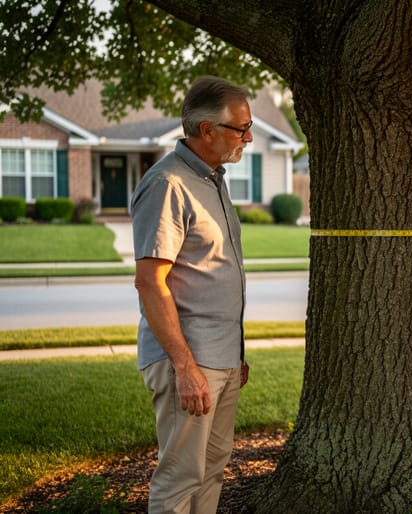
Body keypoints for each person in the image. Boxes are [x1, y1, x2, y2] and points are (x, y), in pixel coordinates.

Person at [131, 76, 252, 514]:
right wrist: (184, 367)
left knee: (213, 468)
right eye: (242, 128)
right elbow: (150, 282)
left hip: (220, 359)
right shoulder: (168, 183)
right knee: (181, 476)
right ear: (208, 131)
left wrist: (234, 351)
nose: (249, 137)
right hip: (189, 361)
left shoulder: (213, 180)